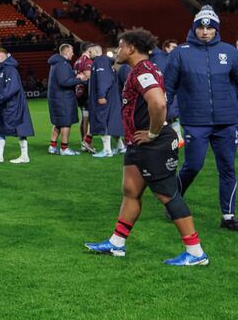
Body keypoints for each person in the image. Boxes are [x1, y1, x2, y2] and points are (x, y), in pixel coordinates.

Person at [85, 29, 209, 265]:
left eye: (121, 46)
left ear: (131, 48)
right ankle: (117, 243)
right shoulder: (140, 70)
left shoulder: (143, 71)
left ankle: (195, 253)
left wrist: (152, 133)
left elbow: (159, 103)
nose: (118, 51)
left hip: (153, 143)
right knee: (131, 191)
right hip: (137, 142)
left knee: (167, 194)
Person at [165, 5, 238, 233]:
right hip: (195, 121)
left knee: (228, 168)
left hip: (226, 121)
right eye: (201, 27)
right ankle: (173, 202)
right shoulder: (180, 53)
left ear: (216, 29)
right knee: (193, 165)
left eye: (210, 27)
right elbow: (168, 87)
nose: (205, 32)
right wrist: (163, 115)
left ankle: (229, 216)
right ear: (194, 28)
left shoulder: (229, 52)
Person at [0, 48, 34, 164]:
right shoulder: (2, 69)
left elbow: (13, 87)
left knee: (20, 128)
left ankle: (24, 156)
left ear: (2, 56)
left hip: (13, 105)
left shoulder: (10, 69)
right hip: (5, 105)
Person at [47, 44, 86, 156]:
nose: (73, 53)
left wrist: (73, 75)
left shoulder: (57, 63)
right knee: (66, 122)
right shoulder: (62, 64)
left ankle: (52, 146)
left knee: (58, 122)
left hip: (57, 97)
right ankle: (64, 148)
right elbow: (64, 82)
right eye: (71, 51)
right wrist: (80, 79)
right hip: (63, 98)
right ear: (66, 52)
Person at [87, 46, 124, 158]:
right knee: (111, 122)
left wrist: (101, 95)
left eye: (90, 51)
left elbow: (104, 79)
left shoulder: (100, 60)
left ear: (97, 51)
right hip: (111, 97)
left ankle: (107, 150)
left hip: (105, 97)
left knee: (103, 121)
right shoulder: (105, 62)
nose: (88, 53)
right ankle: (121, 146)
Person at [152, 39, 183, 148]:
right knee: (167, 116)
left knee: (172, 116)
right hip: (163, 92)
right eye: (173, 47)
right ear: (166, 48)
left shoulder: (175, 59)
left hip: (172, 92)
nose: (176, 49)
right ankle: (174, 138)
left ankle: (178, 138)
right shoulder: (160, 58)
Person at [74, 44, 98, 153]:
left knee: (84, 118)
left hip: (79, 93)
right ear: (89, 50)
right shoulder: (88, 61)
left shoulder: (77, 61)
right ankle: (86, 143)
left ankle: (83, 142)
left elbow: (77, 76)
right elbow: (88, 78)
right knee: (87, 119)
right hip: (86, 94)